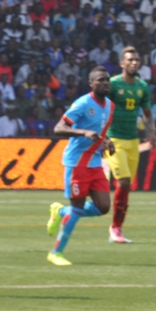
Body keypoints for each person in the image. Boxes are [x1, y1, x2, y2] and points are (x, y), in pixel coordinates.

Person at [46, 67, 115, 266]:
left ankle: (60, 212)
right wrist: (82, 132)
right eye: (100, 80)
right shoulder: (83, 103)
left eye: (107, 80)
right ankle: (56, 253)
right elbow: (59, 128)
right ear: (91, 83)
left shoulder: (110, 106)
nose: (105, 83)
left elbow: (99, 132)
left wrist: (106, 141)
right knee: (77, 208)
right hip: (77, 163)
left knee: (103, 207)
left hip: (95, 162)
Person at [105, 47, 152, 244]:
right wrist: (102, 136)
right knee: (123, 182)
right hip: (114, 140)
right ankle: (115, 228)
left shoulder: (142, 87)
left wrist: (152, 132)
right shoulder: (113, 84)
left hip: (133, 141)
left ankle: (118, 228)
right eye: (130, 60)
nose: (134, 63)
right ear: (122, 64)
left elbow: (147, 114)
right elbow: (101, 108)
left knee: (126, 187)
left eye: (136, 60)